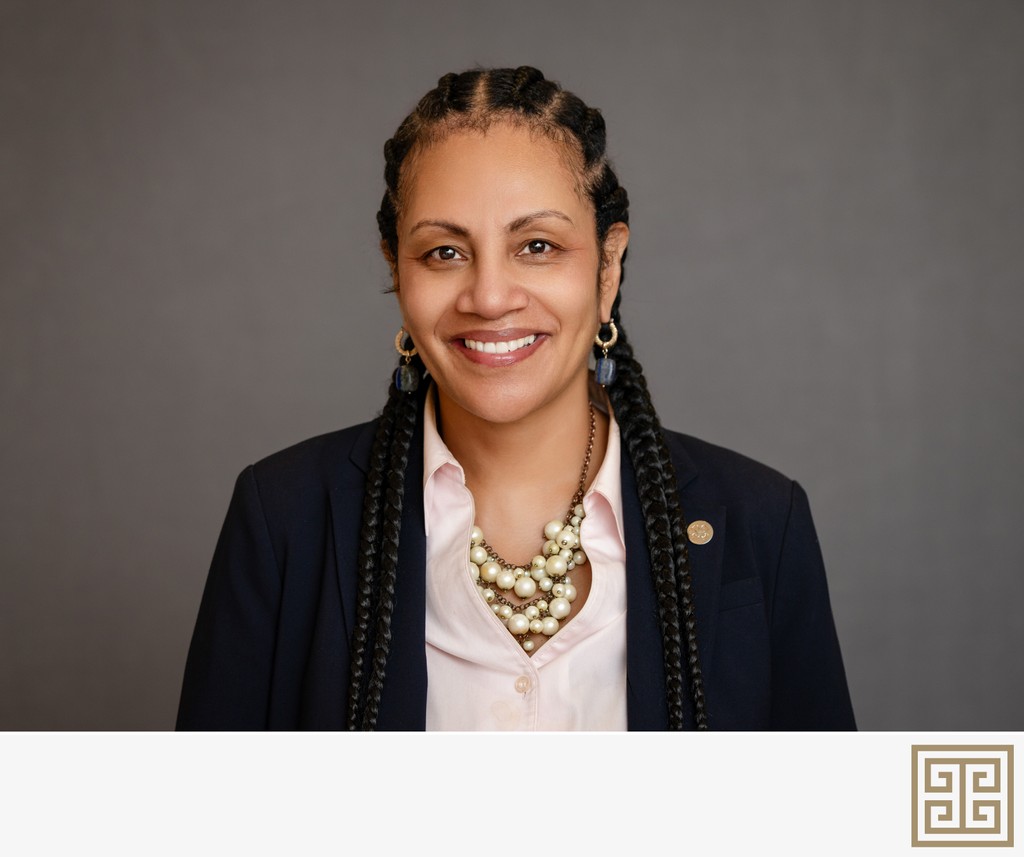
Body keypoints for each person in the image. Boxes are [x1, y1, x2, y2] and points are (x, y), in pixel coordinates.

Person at [176, 66, 855, 731]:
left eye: (537, 245)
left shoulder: (763, 521)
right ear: (396, 268)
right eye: (444, 252)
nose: (490, 297)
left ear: (608, 265)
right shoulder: (282, 518)